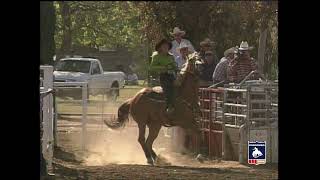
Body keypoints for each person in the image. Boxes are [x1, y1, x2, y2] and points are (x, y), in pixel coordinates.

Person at [149, 39, 178, 115]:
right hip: (163, 76)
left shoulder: (171, 56)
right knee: (168, 88)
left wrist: (175, 68)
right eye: (164, 46)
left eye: (167, 46)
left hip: (172, 75)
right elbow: (152, 67)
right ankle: (169, 106)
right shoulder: (156, 56)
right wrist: (164, 68)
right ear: (160, 47)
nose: (166, 47)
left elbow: (175, 66)